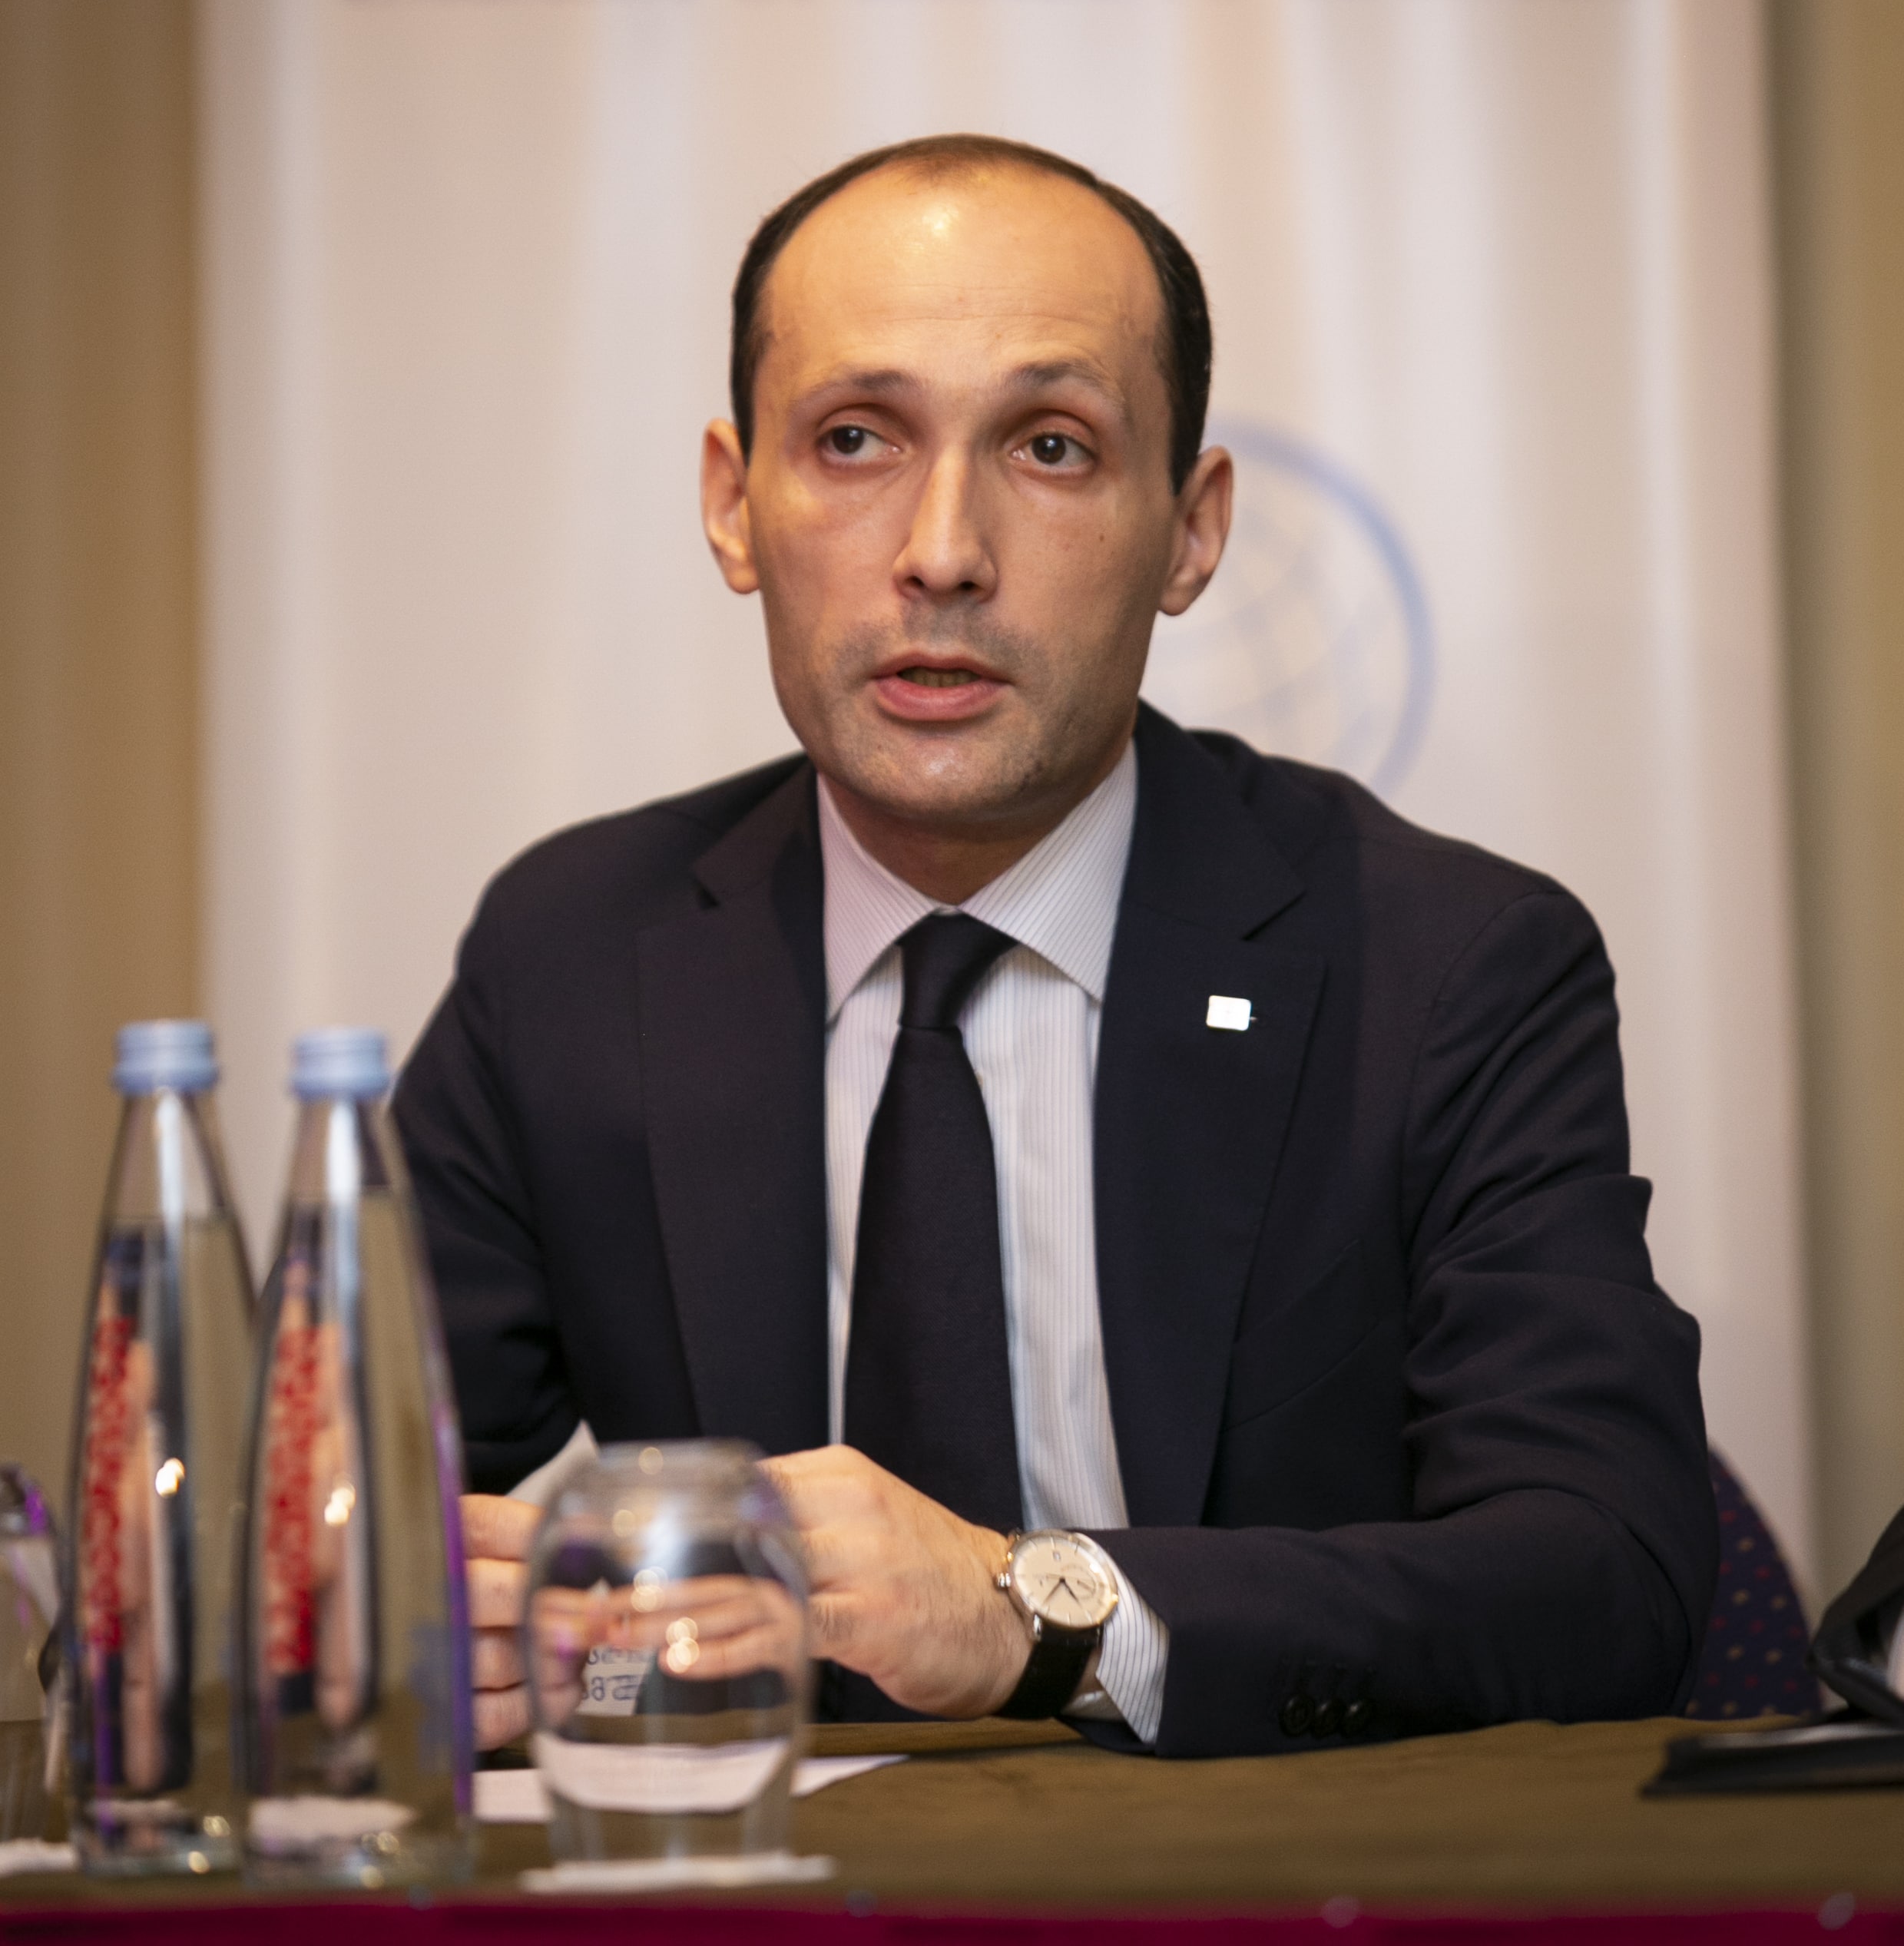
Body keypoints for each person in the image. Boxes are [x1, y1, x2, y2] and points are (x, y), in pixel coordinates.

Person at [396, 133, 1717, 1760]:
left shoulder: (1451, 969)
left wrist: (1035, 1612)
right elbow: (313, 1522)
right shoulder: (575, 959)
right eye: (856, 438)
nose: (943, 550)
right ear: (735, 507)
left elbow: (1607, 1575)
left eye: (1050, 447)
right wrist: (449, 1632)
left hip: (1266, 1872)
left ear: (1190, 531)